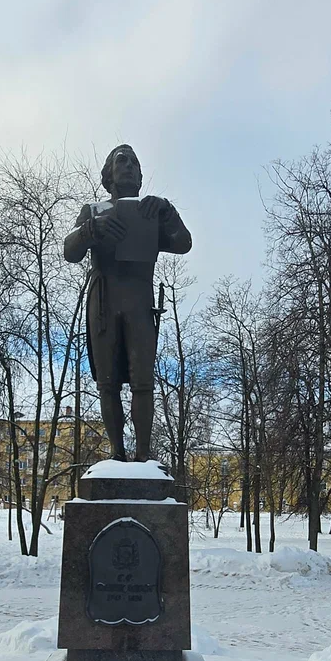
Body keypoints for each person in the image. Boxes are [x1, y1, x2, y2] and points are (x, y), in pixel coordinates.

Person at [63, 144, 192, 461]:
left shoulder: (150, 212)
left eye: (135, 162)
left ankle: (143, 457)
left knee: (142, 382)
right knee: (107, 382)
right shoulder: (94, 210)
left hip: (140, 303)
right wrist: (91, 230)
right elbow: (70, 251)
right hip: (104, 303)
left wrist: (168, 211)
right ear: (108, 174)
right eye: (122, 161)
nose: (130, 166)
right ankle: (117, 454)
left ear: (140, 176)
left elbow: (183, 243)